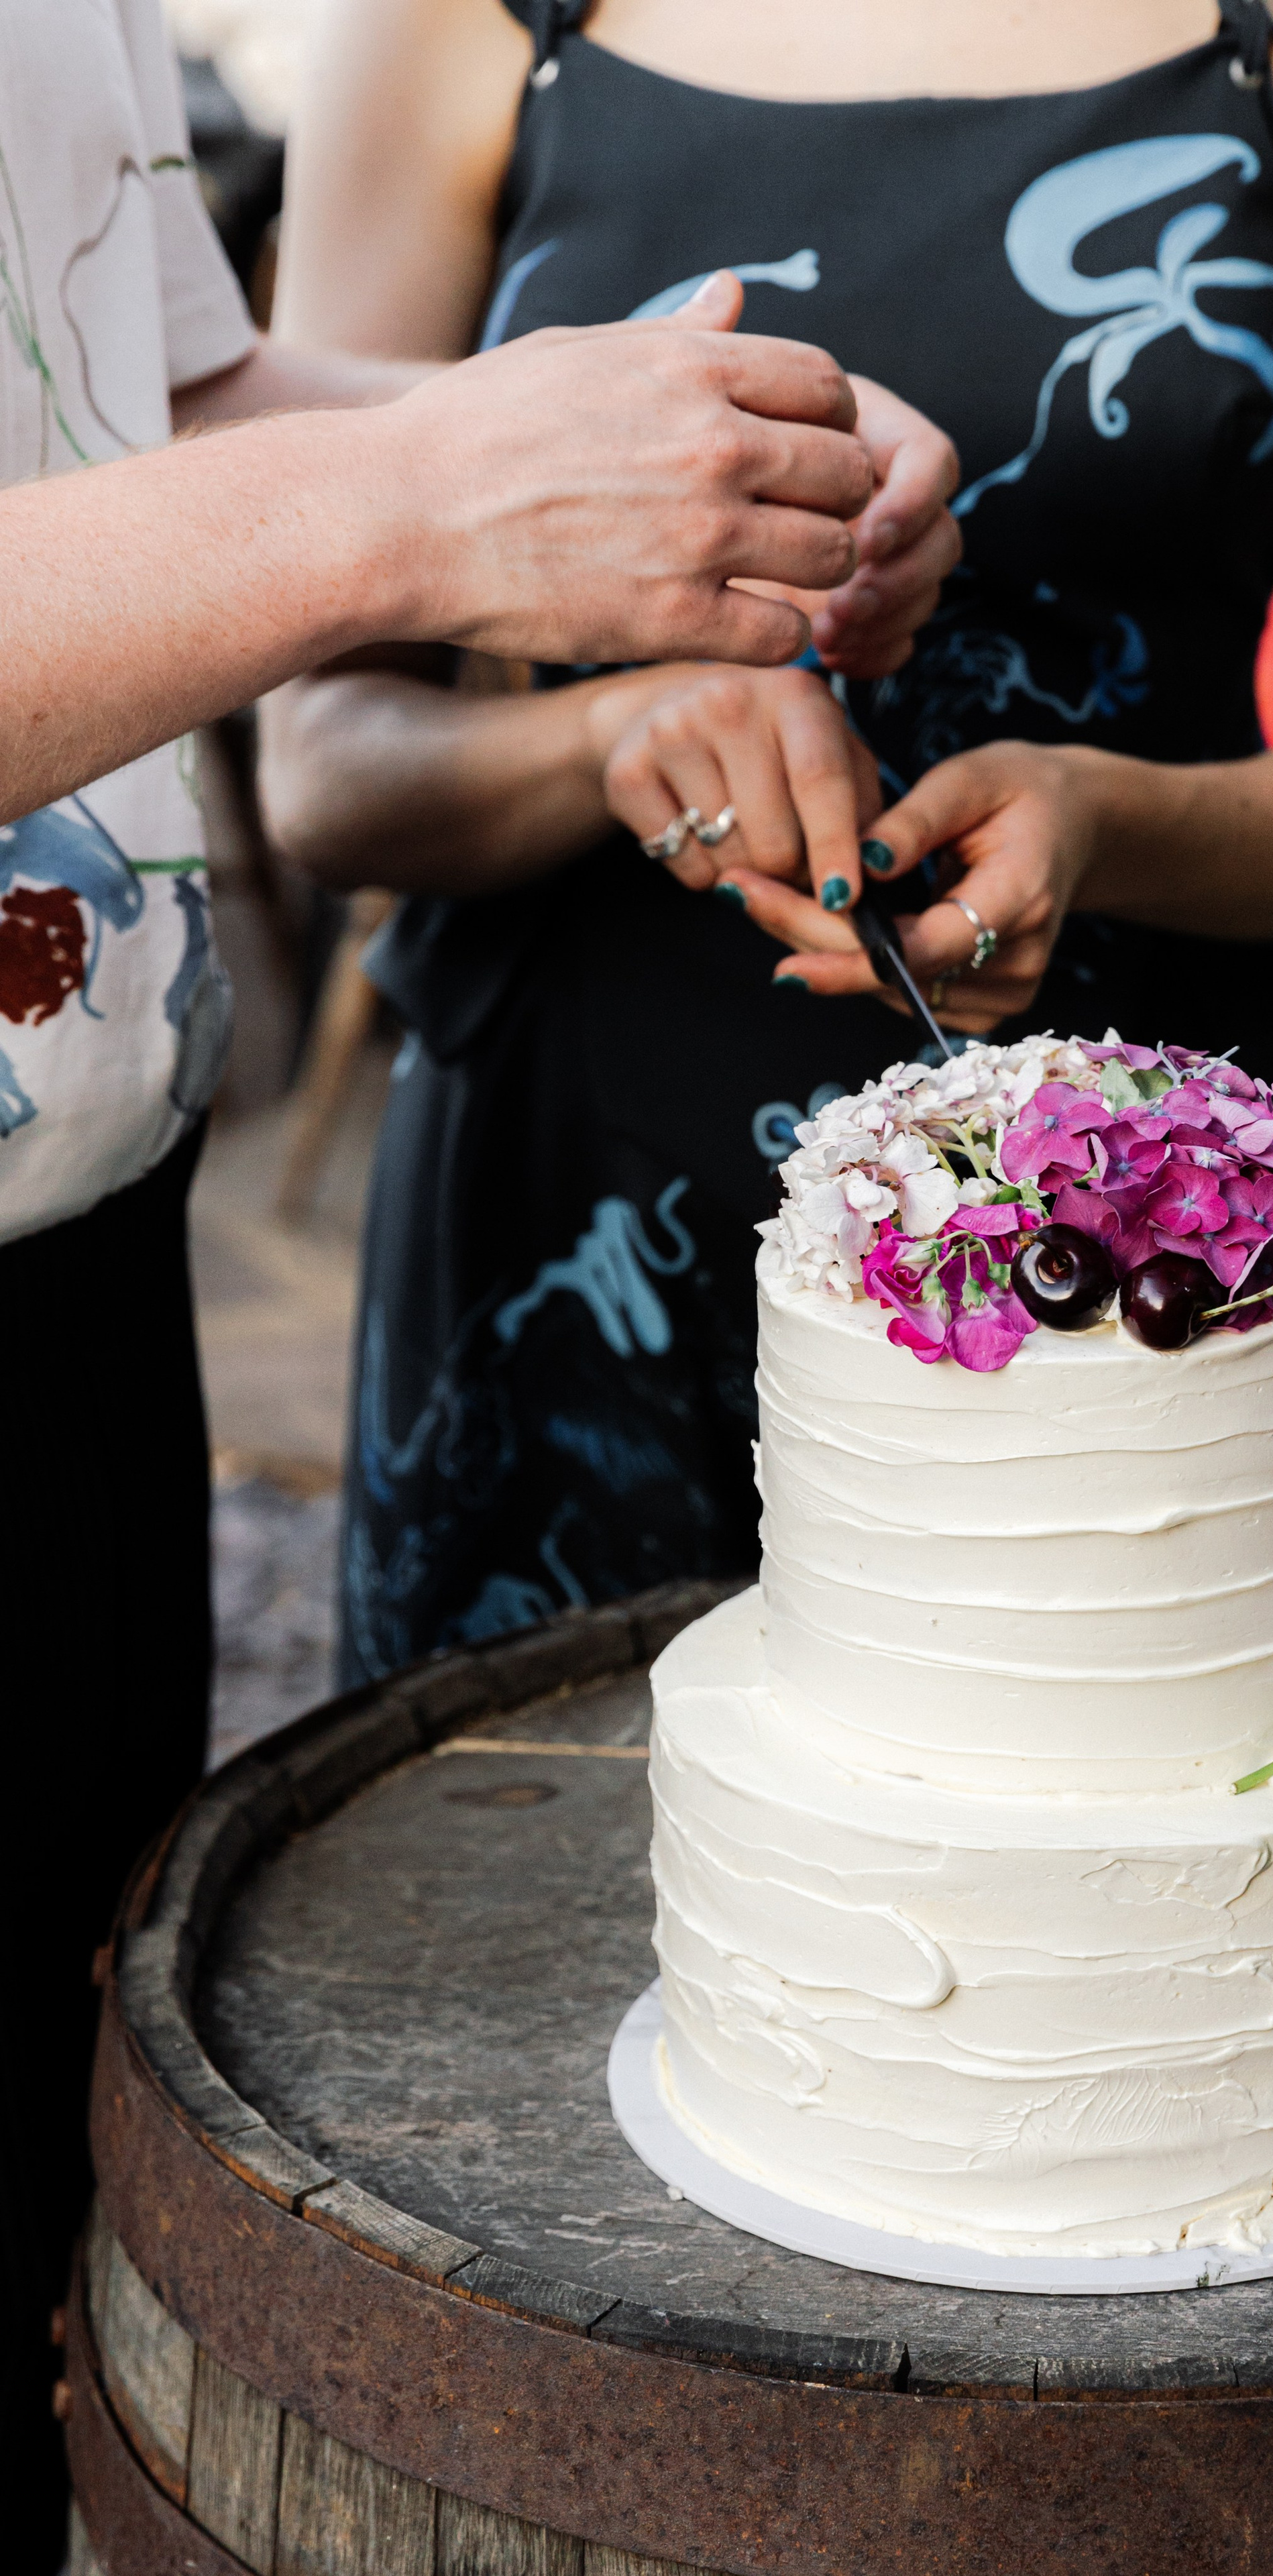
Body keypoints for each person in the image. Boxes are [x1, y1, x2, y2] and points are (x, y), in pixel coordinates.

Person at [0, 5, 906, 2557]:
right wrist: (406, 513)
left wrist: (696, 479)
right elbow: (314, 520)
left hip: (77, 1261)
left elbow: (133, 413)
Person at [256, 0, 1273, 1682]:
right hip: (571, 1227)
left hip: (1109, 1252)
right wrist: (603, 733)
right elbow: (325, 772)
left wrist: (1103, 820)